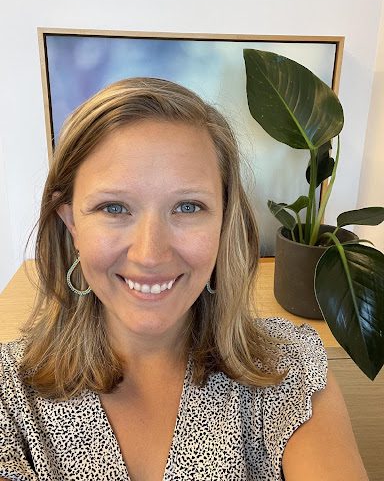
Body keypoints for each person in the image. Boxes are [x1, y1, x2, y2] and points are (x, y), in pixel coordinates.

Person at [0, 78, 367, 481]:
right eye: (114, 207)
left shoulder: (288, 372)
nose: (150, 254)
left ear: (224, 220)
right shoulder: (11, 398)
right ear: (71, 222)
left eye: (188, 206)